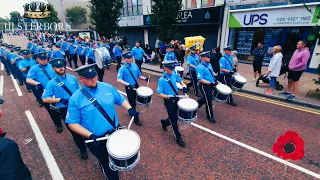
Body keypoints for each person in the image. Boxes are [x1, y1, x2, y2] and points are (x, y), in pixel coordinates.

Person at [66, 64, 139, 180]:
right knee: (108, 166)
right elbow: (72, 123)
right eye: (89, 78)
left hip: (115, 132)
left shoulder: (107, 87)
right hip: (96, 139)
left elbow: (120, 99)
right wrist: (90, 135)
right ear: (81, 79)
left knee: (117, 157)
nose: (94, 79)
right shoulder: (75, 99)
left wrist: (129, 108)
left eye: (94, 76)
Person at [42, 58, 88, 159]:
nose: (61, 68)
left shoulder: (72, 78)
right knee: (74, 131)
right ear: (54, 69)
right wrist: (60, 100)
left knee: (85, 125)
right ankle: (82, 149)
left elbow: (79, 91)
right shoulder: (52, 83)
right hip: (66, 110)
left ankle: (87, 141)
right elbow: (45, 99)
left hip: (78, 107)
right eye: (58, 67)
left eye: (62, 66)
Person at [26, 52, 62, 132]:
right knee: (51, 109)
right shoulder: (34, 68)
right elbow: (28, 79)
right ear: (37, 60)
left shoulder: (52, 65)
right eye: (42, 59)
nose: (44, 61)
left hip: (58, 89)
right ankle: (58, 124)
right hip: (46, 92)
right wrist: (36, 83)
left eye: (45, 59)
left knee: (62, 104)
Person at [157, 60, 188, 147]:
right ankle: (178, 137)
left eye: (172, 68)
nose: (172, 70)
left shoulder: (174, 74)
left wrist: (184, 86)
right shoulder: (162, 80)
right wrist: (168, 97)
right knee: (174, 120)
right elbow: (159, 93)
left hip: (177, 98)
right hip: (169, 101)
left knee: (177, 115)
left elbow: (180, 80)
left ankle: (164, 122)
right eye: (170, 69)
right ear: (165, 68)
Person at [117, 52, 150, 126]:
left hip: (136, 86)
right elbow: (118, 79)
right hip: (129, 88)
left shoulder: (135, 66)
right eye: (128, 58)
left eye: (131, 58)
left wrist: (145, 79)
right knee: (132, 103)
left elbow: (139, 75)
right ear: (125, 59)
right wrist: (127, 84)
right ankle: (136, 119)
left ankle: (131, 112)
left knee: (138, 101)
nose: (130, 59)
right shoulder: (122, 68)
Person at [196, 51, 217, 123]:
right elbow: (200, 79)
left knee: (205, 98)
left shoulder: (209, 64)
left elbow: (211, 72)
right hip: (204, 86)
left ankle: (195, 106)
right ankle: (210, 116)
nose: (209, 58)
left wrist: (215, 76)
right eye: (208, 57)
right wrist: (210, 83)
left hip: (210, 84)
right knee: (209, 100)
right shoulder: (199, 67)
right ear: (203, 58)